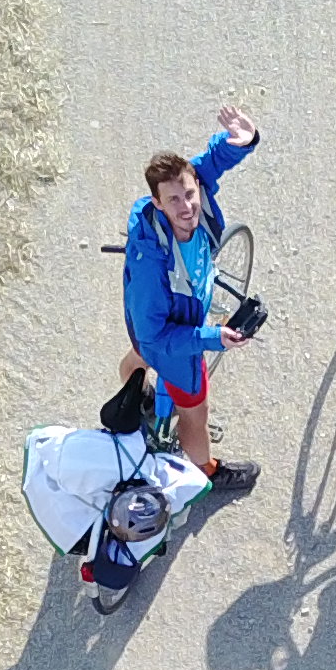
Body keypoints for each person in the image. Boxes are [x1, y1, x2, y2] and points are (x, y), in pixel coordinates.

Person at [122, 104, 263, 496]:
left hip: (154, 329)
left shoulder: (190, 187)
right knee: (195, 410)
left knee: (139, 355)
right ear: (157, 205)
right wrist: (212, 338)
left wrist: (243, 141)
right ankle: (206, 471)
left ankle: (141, 398)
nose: (187, 208)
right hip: (169, 338)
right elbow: (158, 337)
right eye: (174, 201)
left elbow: (210, 163)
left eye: (189, 193)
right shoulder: (153, 269)